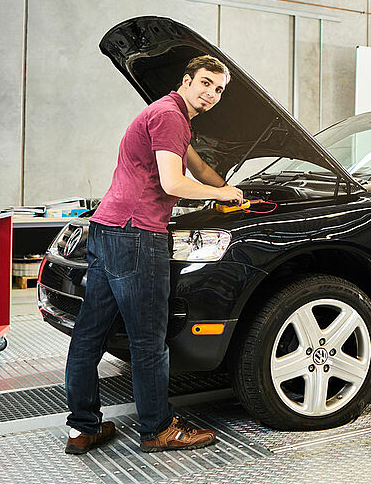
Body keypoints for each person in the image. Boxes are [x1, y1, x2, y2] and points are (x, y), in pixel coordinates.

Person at [64, 55, 244, 455]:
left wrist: (231, 190)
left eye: (219, 89)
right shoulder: (171, 117)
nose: (211, 94)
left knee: (89, 337)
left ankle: (82, 428)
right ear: (187, 79)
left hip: (107, 229)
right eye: (206, 84)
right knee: (149, 341)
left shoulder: (166, 114)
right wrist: (219, 196)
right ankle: (158, 429)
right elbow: (172, 180)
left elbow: (196, 167)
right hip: (137, 236)